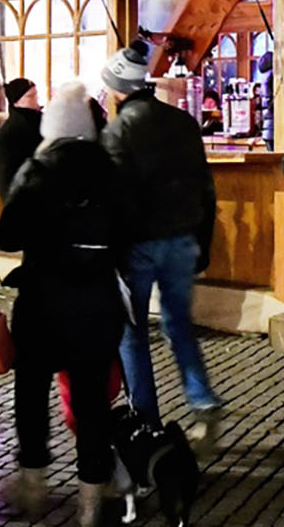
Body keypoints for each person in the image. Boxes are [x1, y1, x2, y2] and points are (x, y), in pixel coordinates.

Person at [0, 81, 129, 523]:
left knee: (32, 393)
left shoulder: (37, 170)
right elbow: (129, 238)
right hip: (96, 300)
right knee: (92, 400)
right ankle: (92, 498)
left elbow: (9, 235)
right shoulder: (112, 172)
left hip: (42, 301)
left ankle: (33, 481)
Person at [100, 39, 224, 450]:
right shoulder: (183, 122)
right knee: (178, 325)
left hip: (139, 244)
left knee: (131, 331)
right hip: (183, 237)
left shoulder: (118, 131)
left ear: (119, 90)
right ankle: (202, 401)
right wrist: (202, 240)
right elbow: (206, 188)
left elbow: (115, 197)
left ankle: (147, 419)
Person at [0, 78, 42, 200]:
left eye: (36, 95)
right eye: (30, 97)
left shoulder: (43, 125)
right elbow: (6, 182)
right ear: (16, 102)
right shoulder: (7, 137)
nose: (36, 101)